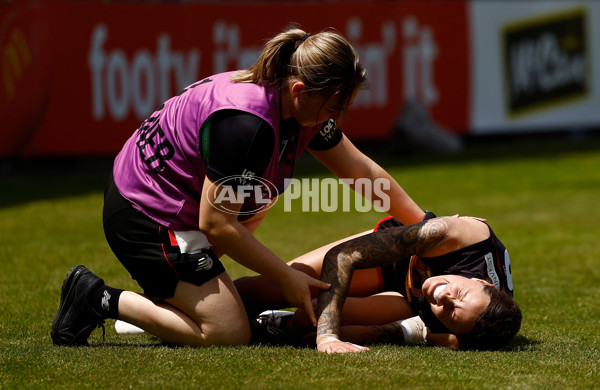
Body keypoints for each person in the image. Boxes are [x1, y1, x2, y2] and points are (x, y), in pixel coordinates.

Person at [50, 27, 428, 348]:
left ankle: (177, 301)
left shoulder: (293, 105)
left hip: (169, 202)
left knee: (256, 198)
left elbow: (360, 171)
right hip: (143, 214)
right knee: (227, 332)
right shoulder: (248, 128)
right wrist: (285, 276)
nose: (338, 118)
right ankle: (96, 297)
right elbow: (217, 225)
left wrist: (426, 226)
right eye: (334, 108)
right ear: (300, 90)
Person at [235, 215, 521, 352]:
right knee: (258, 291)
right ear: (484, 282)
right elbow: (344, 257)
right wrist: (329, 337)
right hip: (395, 256)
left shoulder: (479, 327)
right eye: (458, 292)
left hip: (409, 299)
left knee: (307, 319)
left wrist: (381, 333)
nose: (441, 296)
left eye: (448, 312)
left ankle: (277, 324)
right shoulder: (456, 237)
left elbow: (450, 339)